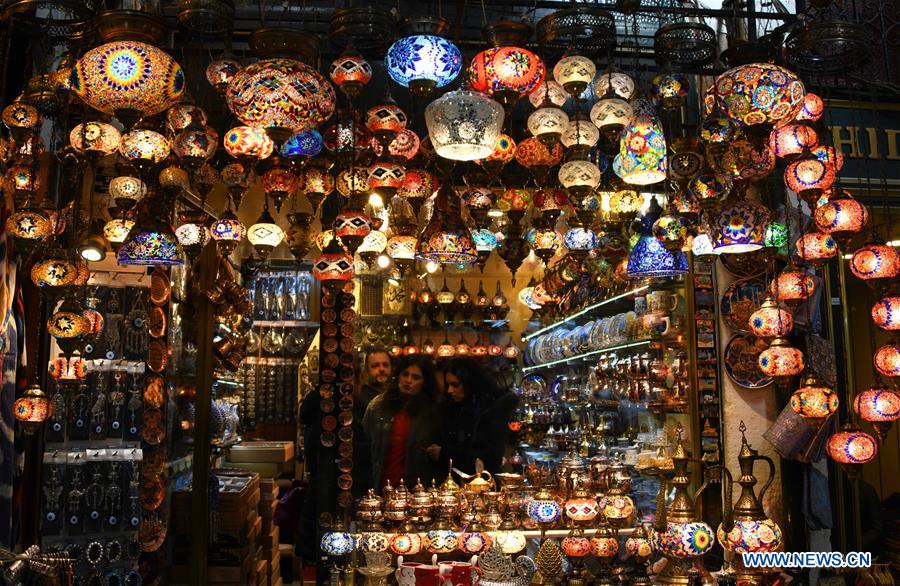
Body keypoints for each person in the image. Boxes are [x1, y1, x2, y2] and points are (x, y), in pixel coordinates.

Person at [426, 356, 519, 475]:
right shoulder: (450, 408)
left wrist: (445, 454)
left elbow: (491, 458)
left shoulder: (491, 411)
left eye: (455, 385)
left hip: (481, 483)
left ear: (470, 383)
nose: (450, 390)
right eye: (448, 385)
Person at [363, 355, 441, 490]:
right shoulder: (378, 406)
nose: (408, 380)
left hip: (417, 489)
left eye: (416, 377)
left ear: (424, 382)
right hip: (381, 485)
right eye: (405, 374)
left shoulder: (432, 411)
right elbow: (364, 445)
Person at [352, 349, 392, 496]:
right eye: (375, 366)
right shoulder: (362, 400)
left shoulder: (396, 398)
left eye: (385, 365)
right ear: (366, 371)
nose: (381, 369)